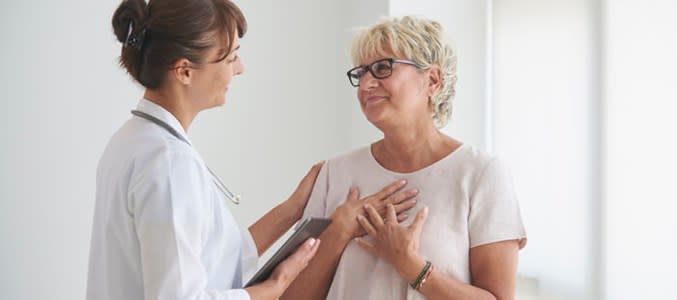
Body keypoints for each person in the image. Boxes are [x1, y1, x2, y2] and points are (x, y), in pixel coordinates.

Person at [86, 1, 418, 299]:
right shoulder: (169, 162)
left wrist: (293, 209)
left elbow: (220, 255)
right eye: (230, 57)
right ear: (185, 71)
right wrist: (269, 291)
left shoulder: (132, 140)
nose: (239, 68)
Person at [283, 16, 527, 300]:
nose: (365, 85)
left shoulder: (482, 174)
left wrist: (411, 266)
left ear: (432, 80)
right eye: (360, 73)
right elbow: (291, 297)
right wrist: (338, 233)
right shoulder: (334, 173)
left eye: (382, 68)